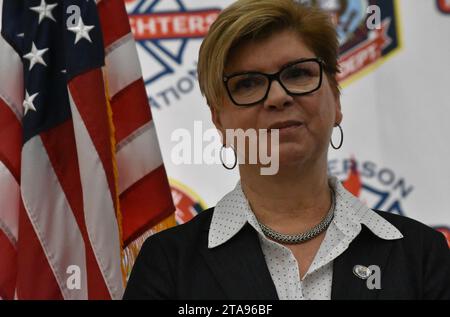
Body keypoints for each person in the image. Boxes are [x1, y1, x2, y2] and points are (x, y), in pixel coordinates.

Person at [123, 0, 450, 300]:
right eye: (248, 83)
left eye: (298, 73)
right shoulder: (169, 263)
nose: (278, 97)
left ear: (336, 101)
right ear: (219, 121)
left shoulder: (420, 255)